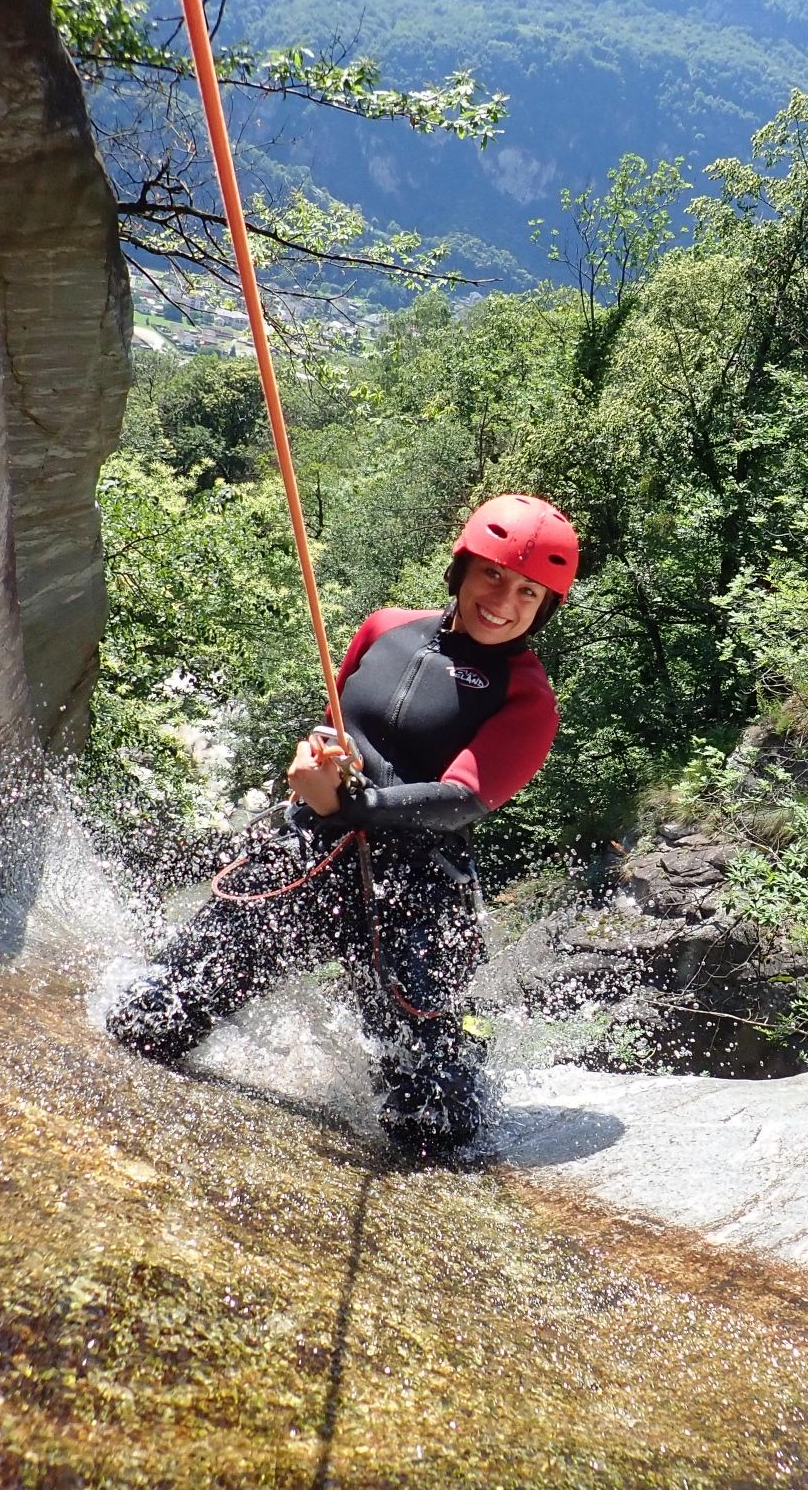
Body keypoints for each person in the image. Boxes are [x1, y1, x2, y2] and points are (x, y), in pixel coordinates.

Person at [106, 493, 579, 1162]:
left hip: (413, 895)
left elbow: (461, 797)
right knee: (153, 1019)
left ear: (544, 609)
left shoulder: (526, 698)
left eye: (529, 593)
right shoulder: (386, 628)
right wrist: (317, 757)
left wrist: (358, 808)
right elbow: (337, 720)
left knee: (431, 1125)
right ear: (463, 568)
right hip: (311, 852)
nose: (504, 599)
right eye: (494, 574)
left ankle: (455, 1083)